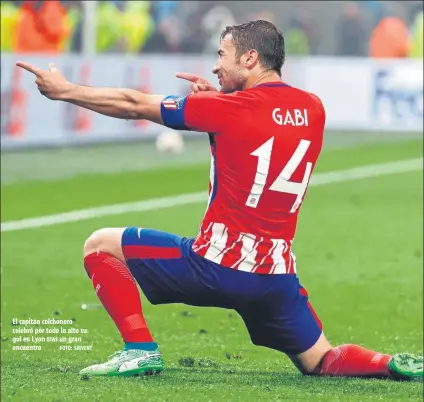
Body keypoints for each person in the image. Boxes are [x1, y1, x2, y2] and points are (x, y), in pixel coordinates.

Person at [16, 20, 423, 380]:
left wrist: (66, 91)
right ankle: (389, 363)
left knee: (100, 244)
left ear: (249, 58)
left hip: (217, 266)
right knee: (321, 359)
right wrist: (218, 102)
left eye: (221, 55)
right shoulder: (313, 108)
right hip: (276, 280)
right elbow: (257, 131)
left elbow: (133, 104)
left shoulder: (228, 109)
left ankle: (138, 351)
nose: (215, 65)